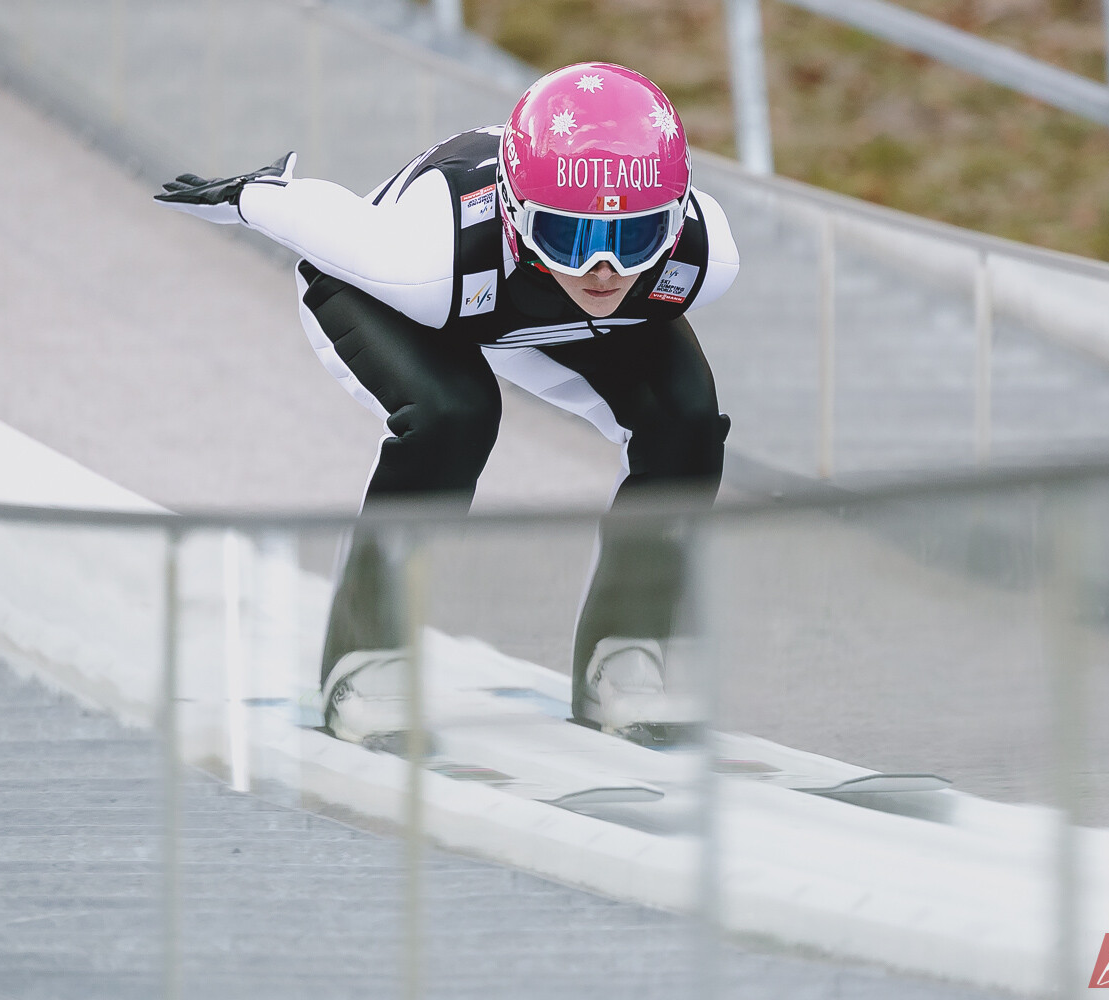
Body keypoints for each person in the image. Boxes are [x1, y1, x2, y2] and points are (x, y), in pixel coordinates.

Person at [156, 62, 739, 744]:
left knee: (687, 420)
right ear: (518, 219)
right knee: (452, 415)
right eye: (571, 237)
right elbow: (321, 216)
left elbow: (602, 282)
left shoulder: (703, 256)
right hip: (399, 297)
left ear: (674, 223)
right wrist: (251, 192)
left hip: (518, 297)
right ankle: (366, 662)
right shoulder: (426, 256)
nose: (602, 271)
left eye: (633, 237)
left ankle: (627, 649)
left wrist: (569, 255)